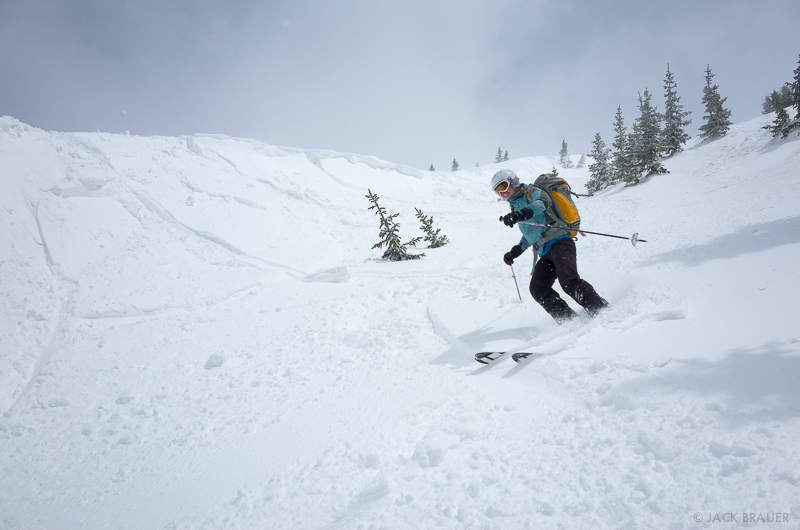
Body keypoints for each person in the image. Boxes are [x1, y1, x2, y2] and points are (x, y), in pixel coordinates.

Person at [491, 169, 608, 322]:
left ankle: (600, 309)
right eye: (498, 191)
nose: (502, 193)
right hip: (545, 252)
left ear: (513, 181)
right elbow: (530, 235)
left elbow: (543, 203)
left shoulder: (531, 191)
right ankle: (569, 320)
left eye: (504, 186)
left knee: (568, 281)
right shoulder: (515, 206)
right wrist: (515, 252)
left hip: (560, 242)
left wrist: (521, 214)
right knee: (538, 288)